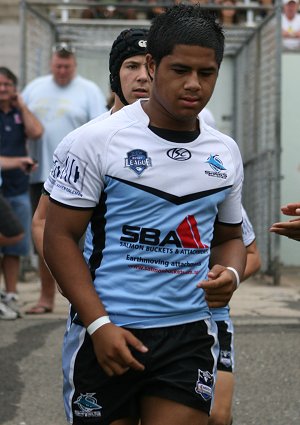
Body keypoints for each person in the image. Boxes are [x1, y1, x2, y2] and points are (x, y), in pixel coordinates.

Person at [44, 5, 246, 425]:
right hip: (109, 329)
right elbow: (59, 238)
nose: (193, 84)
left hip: (188, 334)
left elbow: (230, 237)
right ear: (153, 66)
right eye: (180, 70)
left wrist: (231, 274)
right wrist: (98, 325)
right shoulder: (95, 141)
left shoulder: (223, 151)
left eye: (206, 73)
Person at [30, 28, 150, 310]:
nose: (143, 76)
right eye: (132, 66)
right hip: (104, 308)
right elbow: (43, 221)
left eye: (150, 66)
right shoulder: (84, 140)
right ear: (114, 76)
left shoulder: (192, 140)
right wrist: (65, 275)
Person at [22, 42, 107, 314]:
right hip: (41, 174)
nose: (62, 70)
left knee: (79, 239)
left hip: (80, 177)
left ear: (75, 65)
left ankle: (83, 296)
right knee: (45, 234)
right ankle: (46, 296)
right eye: (58, 65)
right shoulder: (34, 88)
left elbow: (100, 128)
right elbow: (20, 123)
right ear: (51, 63)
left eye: (67, 66)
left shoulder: (89, 91)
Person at [209, 206, 261, 425]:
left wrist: (228, 278)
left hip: (212, 314)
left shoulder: (221, 186)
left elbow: (253, 256)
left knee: (217, 416)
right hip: (141, 314)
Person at [0, 67, 42, 318]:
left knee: (17, 244)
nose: (3, 89)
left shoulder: (17, 113)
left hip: (17, 188)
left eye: (7, 85)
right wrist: (16, 162)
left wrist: (22, 106)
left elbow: (36, 132)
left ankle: (12, 294)